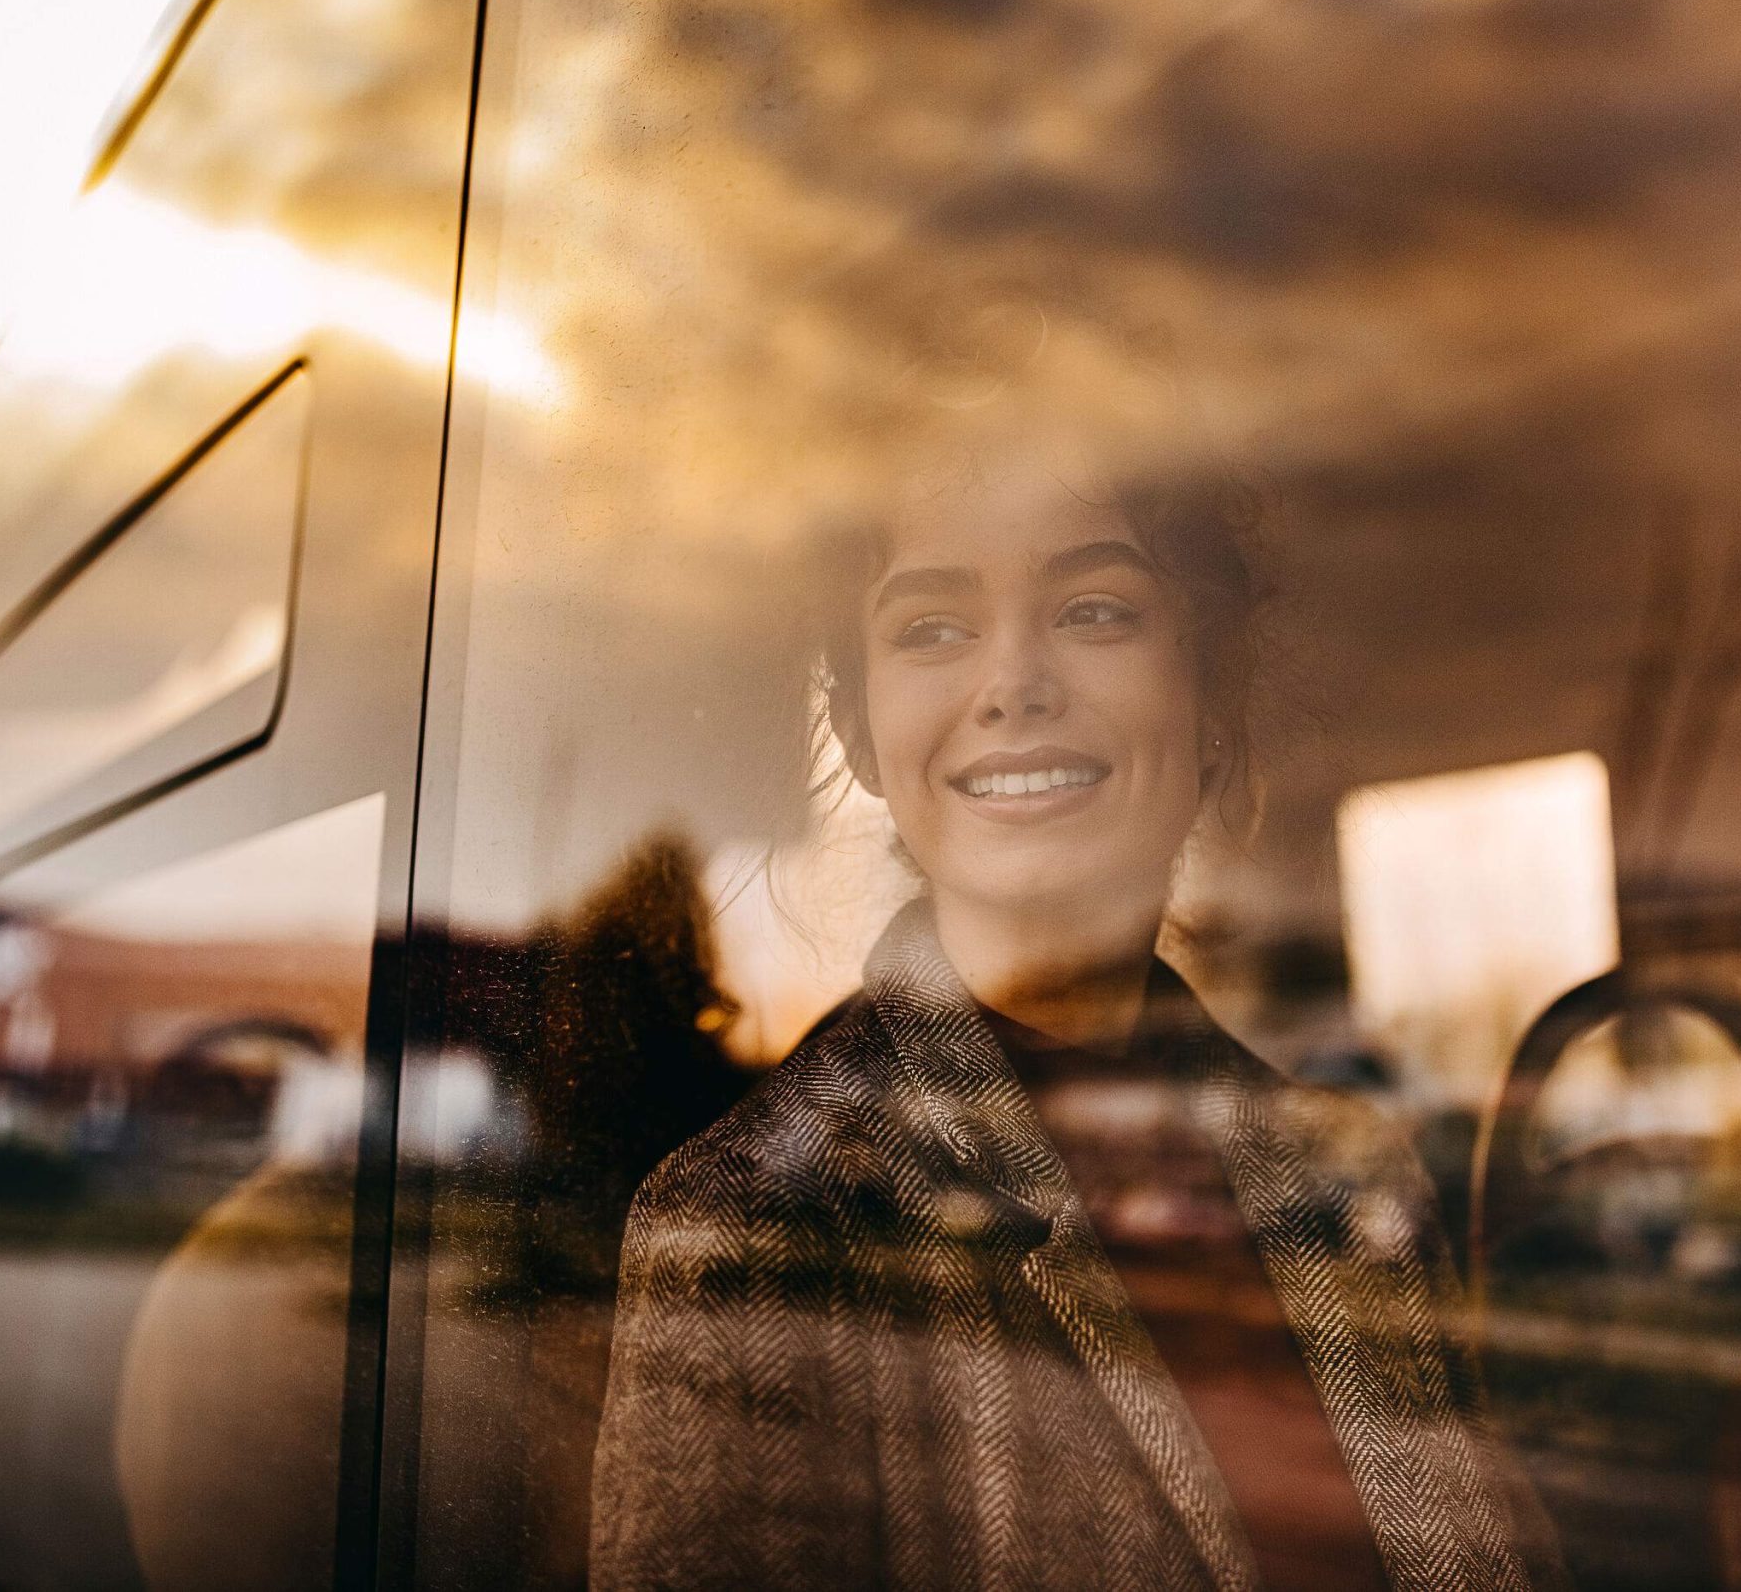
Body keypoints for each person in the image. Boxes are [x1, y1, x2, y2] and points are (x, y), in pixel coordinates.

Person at [588, 362, 1560, 1591]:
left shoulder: (1353, 1173)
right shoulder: (754, 1228)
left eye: (1095, 610)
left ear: (1210, 696)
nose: (1012, 686)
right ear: (858, 733)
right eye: (932, 629)